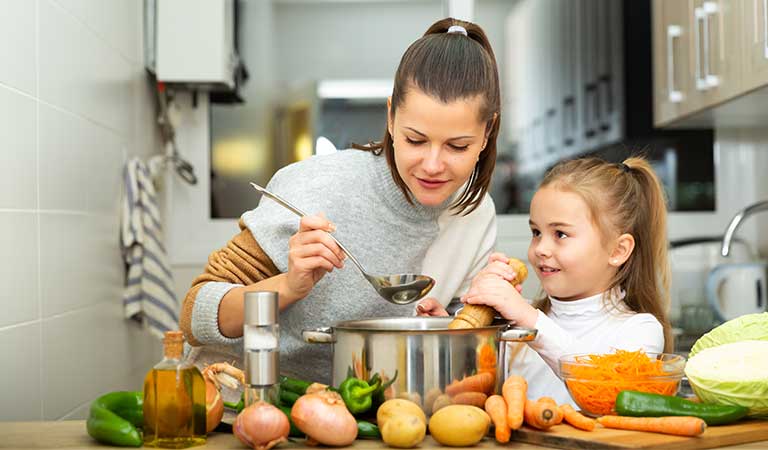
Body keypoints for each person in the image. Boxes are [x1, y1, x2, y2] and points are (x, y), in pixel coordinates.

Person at [179, 18, 502, 383]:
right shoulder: (319, 186)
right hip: (240, 394)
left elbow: (461, 338)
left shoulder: (476, 215)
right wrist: (288, 287)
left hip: (358, 405)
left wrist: (442, 327)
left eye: (457, 146)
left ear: (487, 132)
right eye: (415, 140)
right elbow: (195, 314)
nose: (432, 164)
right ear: (391, 117)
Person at [461, 157, 672, 404]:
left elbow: (611, 393)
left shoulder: (640, 329)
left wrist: (530, 321)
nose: (540, 249)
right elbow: (470, 384)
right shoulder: (515, 322)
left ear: (618, 250)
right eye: (536, 232)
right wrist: (456, 328)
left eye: (560, 234)